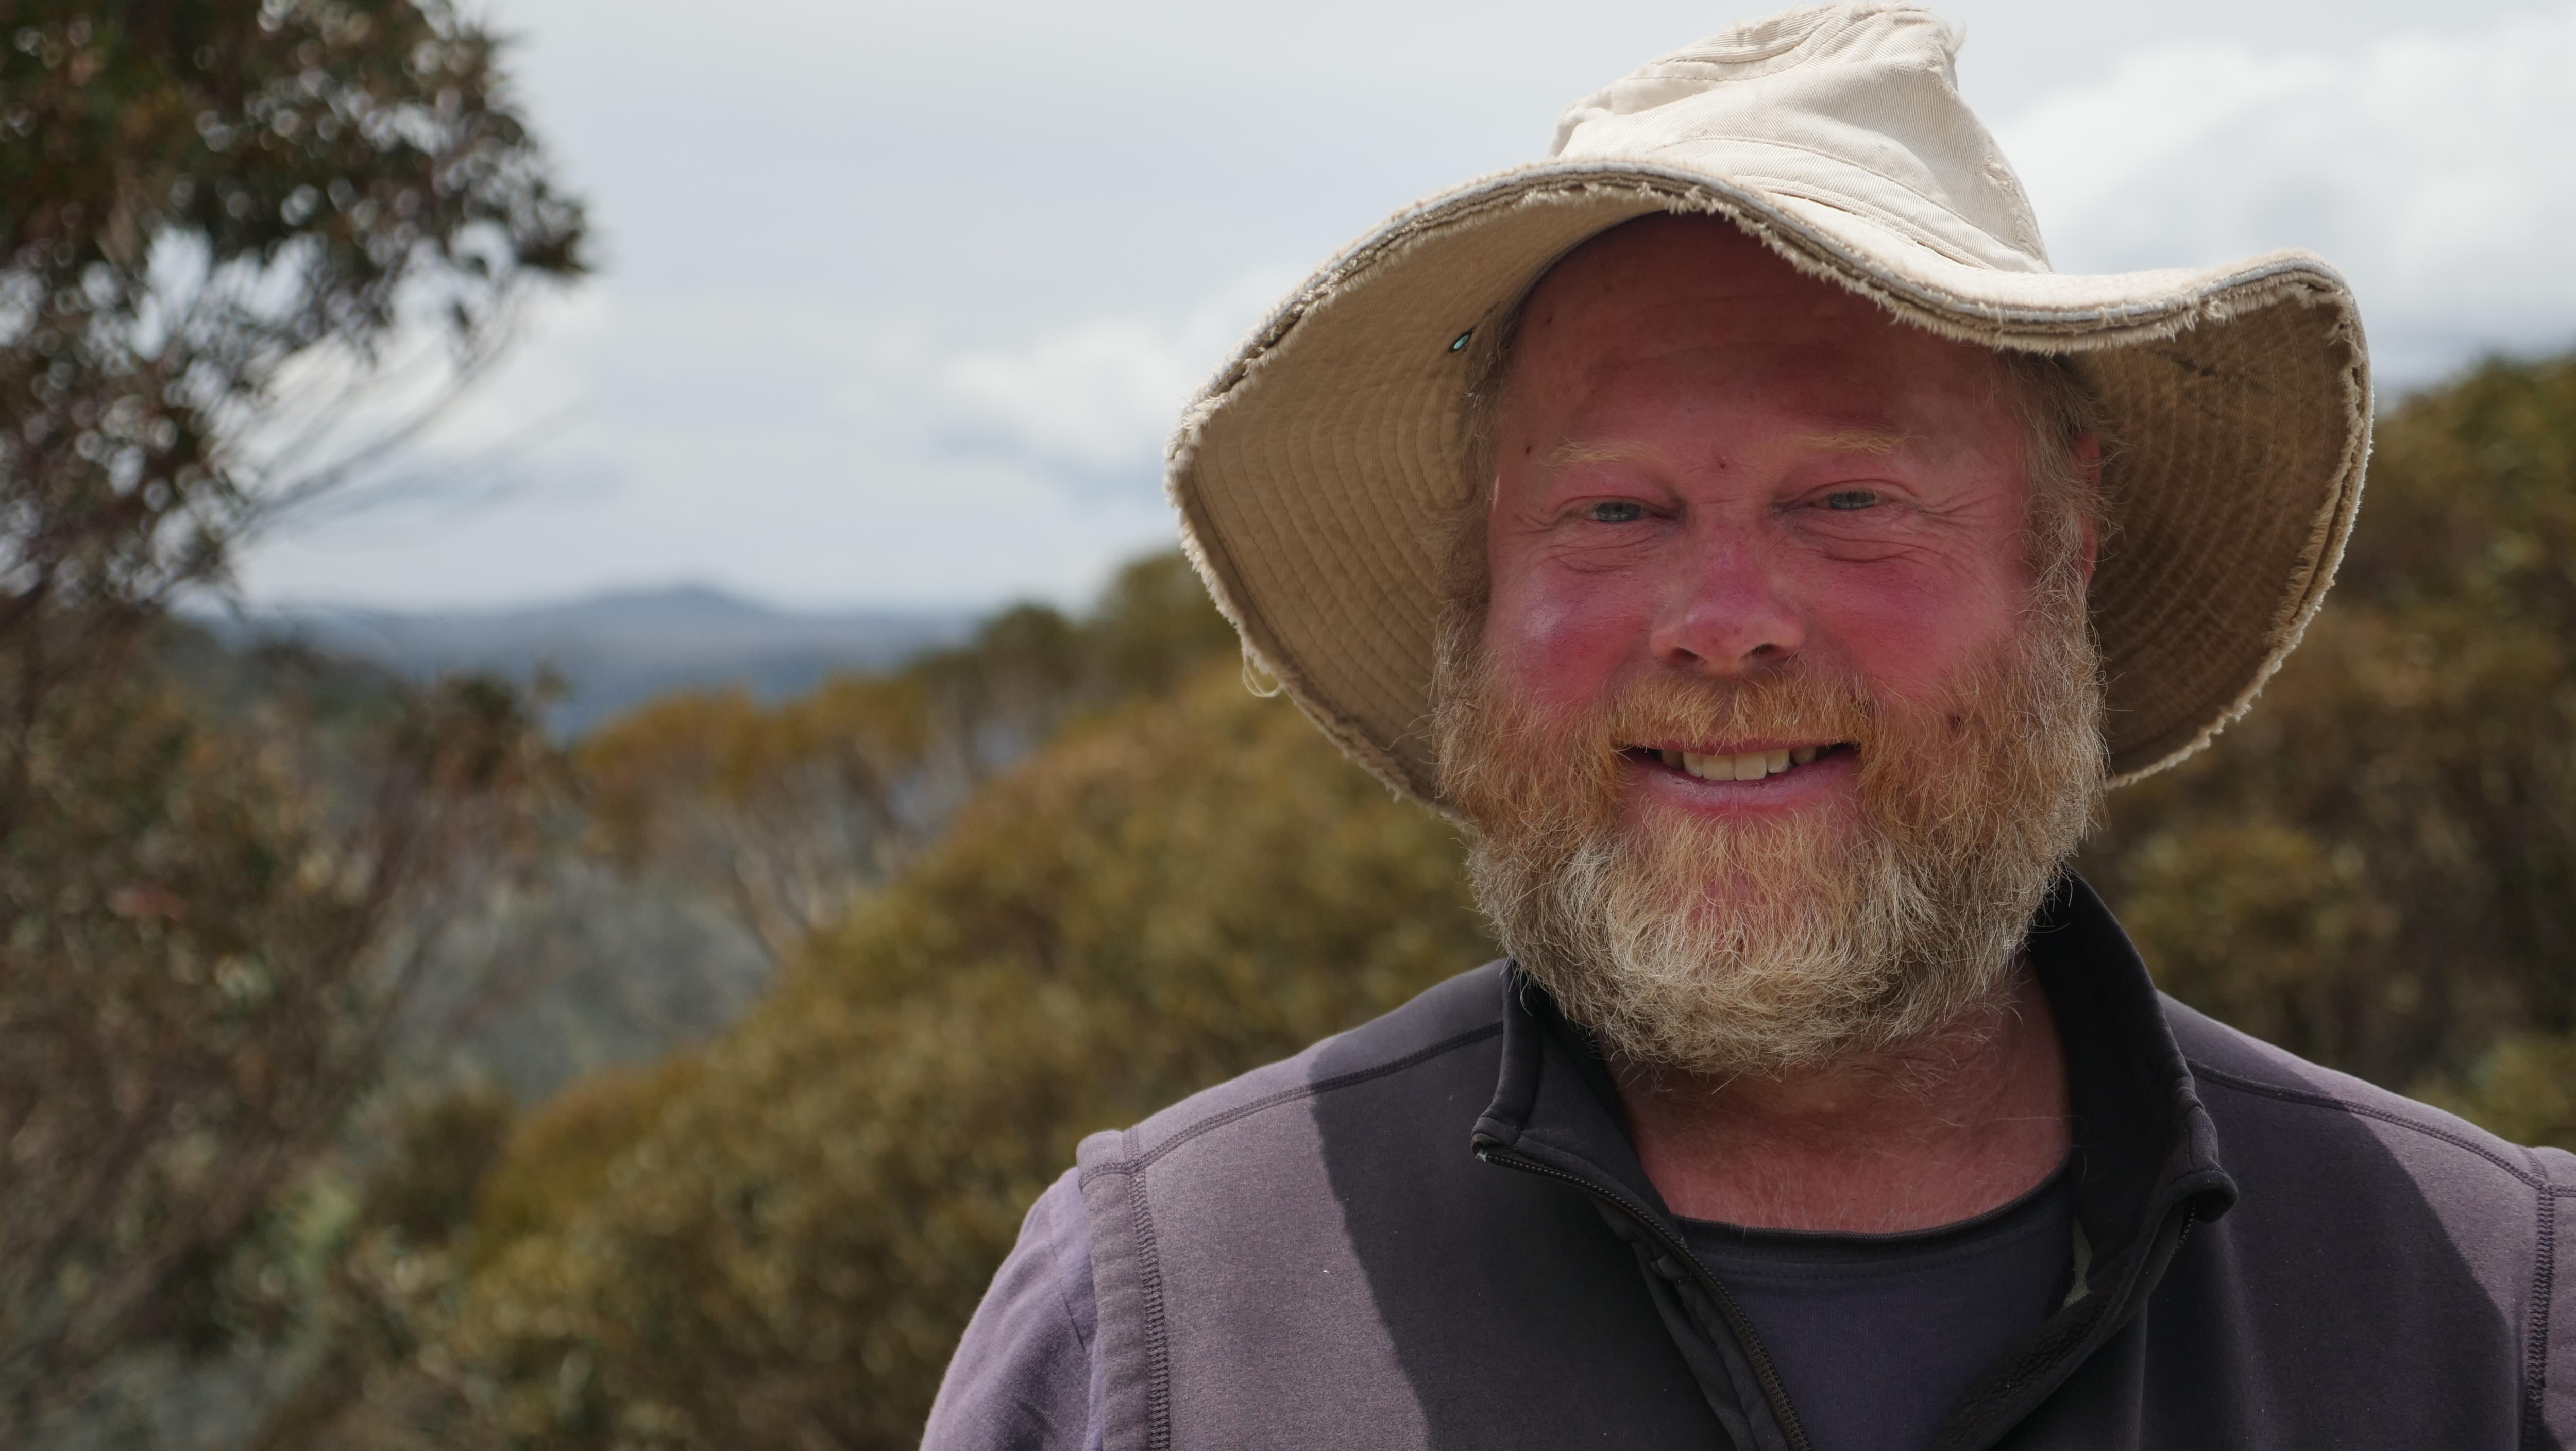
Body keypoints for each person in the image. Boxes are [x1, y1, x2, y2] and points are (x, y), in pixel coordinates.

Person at [923, 5, 2574, 1448]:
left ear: (2065, 543)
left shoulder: (2490, 1316)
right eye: (1614, 511)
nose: (1724, 622)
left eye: (1848, 498)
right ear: (1483, 581)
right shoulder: (1161, 1326)